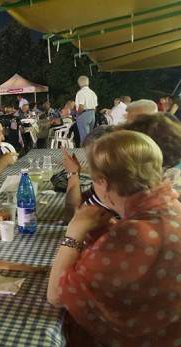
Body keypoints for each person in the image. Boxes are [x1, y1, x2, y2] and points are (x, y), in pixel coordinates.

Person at [47, 130, 181, 346]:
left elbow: (56, 295)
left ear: (103, 182)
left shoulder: (133, 234)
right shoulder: (170, 206)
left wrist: (75, 231)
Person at [74, 75, 98, 143]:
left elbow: (81, 106)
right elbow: (95, 107)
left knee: (84, 138)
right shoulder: (93, 93)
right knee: (90, 137)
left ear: (79, 83)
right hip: (92, 114)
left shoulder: (80, 93)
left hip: (84, 114)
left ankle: (83, 153)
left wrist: (77, 114)